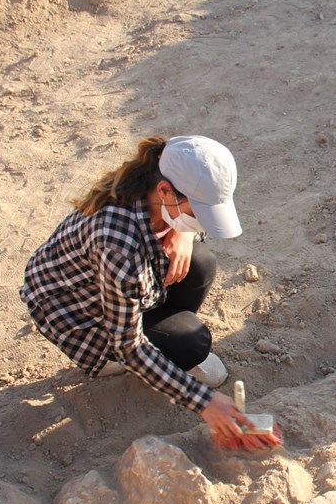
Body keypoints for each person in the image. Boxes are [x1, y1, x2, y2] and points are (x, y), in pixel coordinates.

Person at [20, 135, 279, 450]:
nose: (200, 223)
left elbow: (187, 226)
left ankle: (161, 342)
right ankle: (117, 362)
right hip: (79, 314)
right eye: (197, 214)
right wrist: (205, 403)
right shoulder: (117, 243)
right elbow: (127, 345)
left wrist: (181, 234)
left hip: (114, 287)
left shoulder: (165, 167)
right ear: (165, 192)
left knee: (199, 260)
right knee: (192, 342)